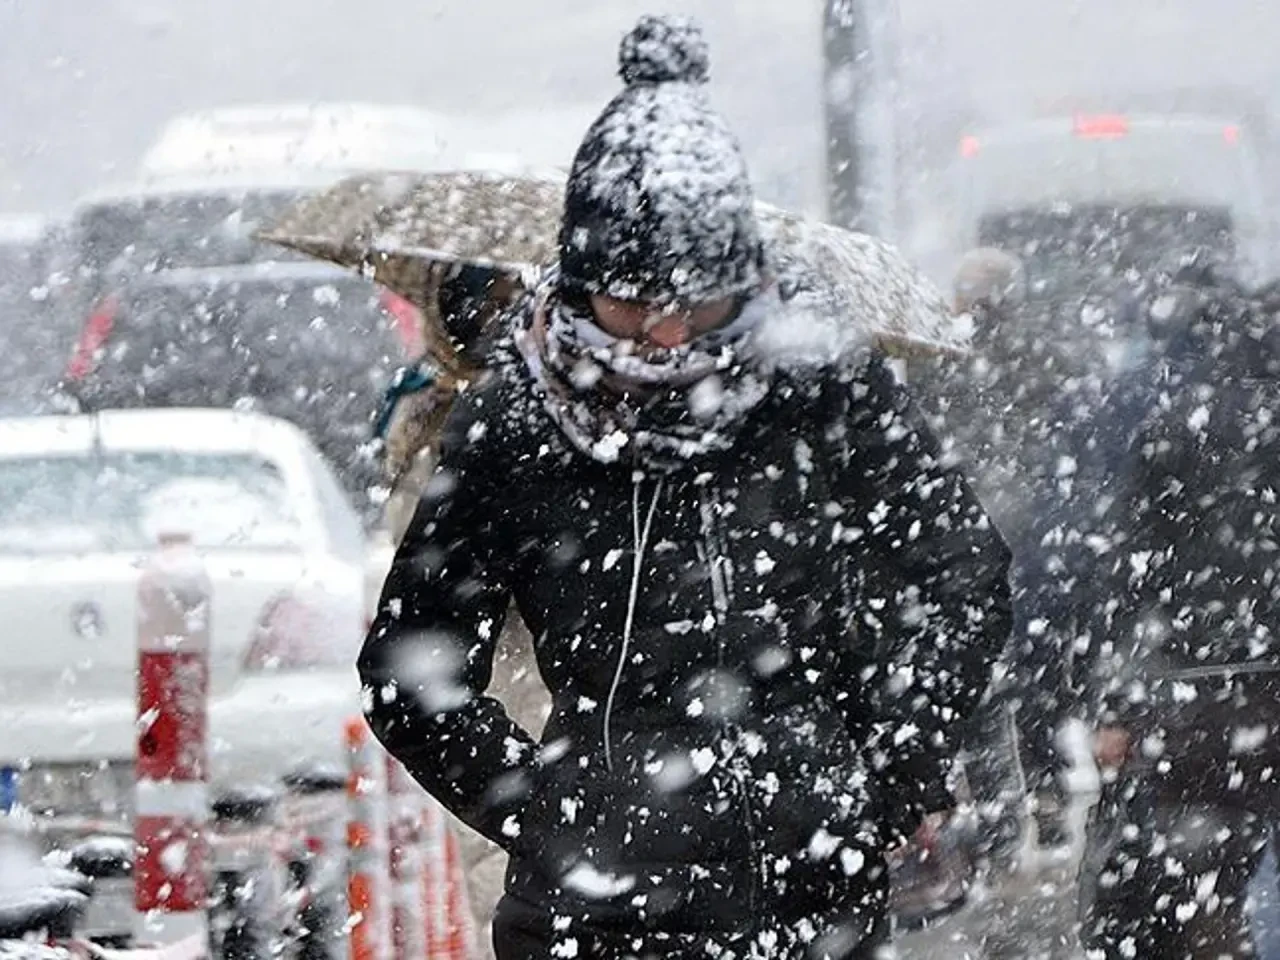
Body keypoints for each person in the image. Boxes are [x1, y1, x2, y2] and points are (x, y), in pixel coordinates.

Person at [359, 15, 1012, 960]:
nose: (666, 337)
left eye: (697, 305)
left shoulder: (818, 385)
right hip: (594, 917)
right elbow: (409, 671)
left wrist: (893, 766)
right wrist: (547, 812)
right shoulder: (517, 420)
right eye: (632, 304)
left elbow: (963, 571)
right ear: (578, 283)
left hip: (813, 894)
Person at [1077, 259, 1280, 959]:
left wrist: (1116, 704)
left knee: (1201, 876)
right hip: (1253, 686)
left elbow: (1127, 569)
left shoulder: (1171, 422)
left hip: (1192, 694)